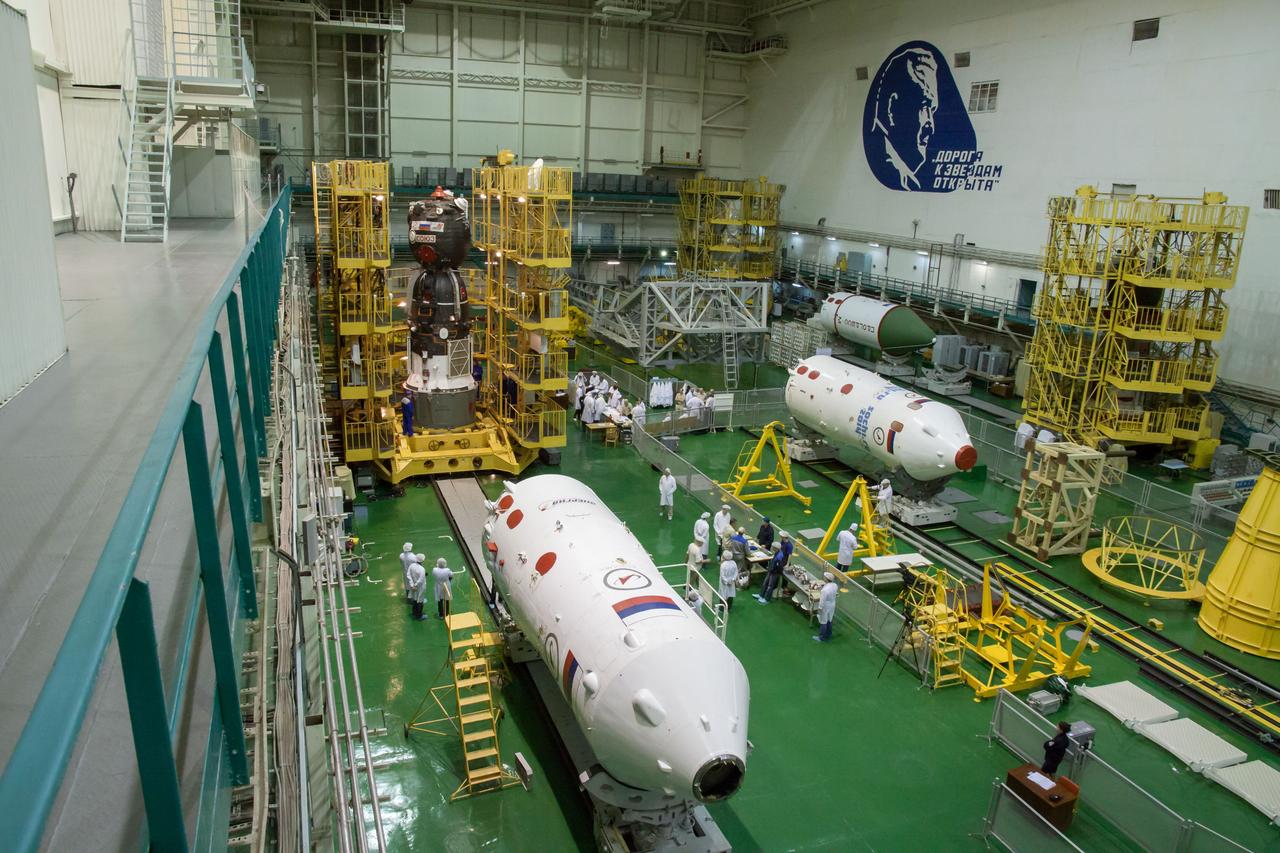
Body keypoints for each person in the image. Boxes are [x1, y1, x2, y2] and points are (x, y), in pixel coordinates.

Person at [814, 572, 838, 642]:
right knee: (829, 619)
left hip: (826, 606)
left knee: (823, 621)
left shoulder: (825, 590)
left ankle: (821, 637)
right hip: (832, 604)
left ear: (826, 579)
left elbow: (822, 600)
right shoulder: (835, 585)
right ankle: (829, 634)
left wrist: (820, 608)